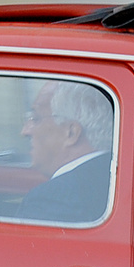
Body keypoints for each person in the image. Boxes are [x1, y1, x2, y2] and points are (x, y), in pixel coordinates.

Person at [17, 81, 114, 222]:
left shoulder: (51, 200)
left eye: (36, 119)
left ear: (71, 133)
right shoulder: (117, 177)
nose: (25, 131)